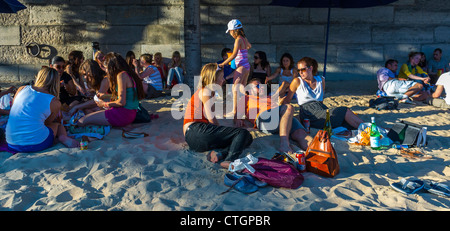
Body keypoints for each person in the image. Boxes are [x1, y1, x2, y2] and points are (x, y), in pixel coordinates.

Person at [183, 63, 253, 169]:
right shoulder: (205, 91)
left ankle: (220, 154)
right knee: (242, 133)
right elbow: (211, 118)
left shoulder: (209, 93)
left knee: (246, 138)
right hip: (196, 130)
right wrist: (224, 130)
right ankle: (229, 159)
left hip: (194, 138)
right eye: (221, 77)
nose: (223, 80)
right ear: (213, 79)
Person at [5, 67, 79, 152]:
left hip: (11, 143)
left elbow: (13, 110)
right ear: (56, 82)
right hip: (36, 144)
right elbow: (47, 123)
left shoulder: (22, 89)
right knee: (57, 124)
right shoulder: (54, 101)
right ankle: (63, 137)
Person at [282, 57, 363, 130]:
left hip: (320, 109)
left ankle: (368, 130)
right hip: (308, 112)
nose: (300, 72)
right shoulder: (297, 81)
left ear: (310, 68)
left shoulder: (321, 80)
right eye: (298, 70)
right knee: (344, 111)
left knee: (348, 123)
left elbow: (321, 101)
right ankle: (369, 129)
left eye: (302, 69)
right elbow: (287, 100)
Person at [236, 78, 312, 153]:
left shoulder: (269, 97)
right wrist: (238, 119)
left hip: (279, 121)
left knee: (300, 133)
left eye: (262, 85)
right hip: (263, 118)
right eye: (258, 86)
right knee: (288, 107)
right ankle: (284, 144)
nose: (262, 87)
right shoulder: (247, 98)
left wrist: (281, 103)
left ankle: (316, 151)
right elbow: (237, 113)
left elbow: (282, 111)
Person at [77, 52, 145, 128]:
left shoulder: (121, 75)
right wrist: (106, 96)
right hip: (130, 113)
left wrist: (104, 104)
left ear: (112, 67)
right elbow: (124, 96)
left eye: (106, 68)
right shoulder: (127, 74)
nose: (106, 71)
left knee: (82, 121)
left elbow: (121, 102)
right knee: (89, 112)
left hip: (123, 114)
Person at [218, 19, 252, 118]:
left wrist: (223, 63)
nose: (229, 33)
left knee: (235, 89)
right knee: (242, 89)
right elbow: (249, 46)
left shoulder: (238, 39)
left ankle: (235, 111)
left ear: (233, 30)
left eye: (230, 31)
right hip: (247, 66)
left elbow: (234, 54)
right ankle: (244, 110)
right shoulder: (244, 38)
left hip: (241, 67)